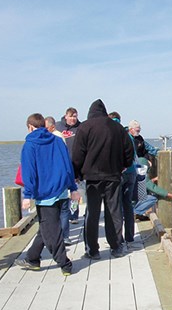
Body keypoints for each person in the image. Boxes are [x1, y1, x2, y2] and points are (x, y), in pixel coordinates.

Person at [14, 113, 80, 276]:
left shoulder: (30, 145)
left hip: (45, 195)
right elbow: (68, 166)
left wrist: (27, 195)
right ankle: (32, 258)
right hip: (61, 191)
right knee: (46, 227)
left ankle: (65, 264)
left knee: (52, 232)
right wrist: (73, 188)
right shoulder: (58, 140)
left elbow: (29, 172)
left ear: (30, 127)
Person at [72, 99, 134, 259]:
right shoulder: (118, 128)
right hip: (113, 175)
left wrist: (76, 173)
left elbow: (78, 154)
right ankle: (116, 246)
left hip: (92, 178)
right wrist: (124, 165)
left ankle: (93, 250)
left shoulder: (84, 127)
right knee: (113, 212)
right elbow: (129, 151)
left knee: (92, 213)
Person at [109, 112, 136, 246]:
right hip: (131, 172)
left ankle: (118, 239)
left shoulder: (112, 134)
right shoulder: (127, 135)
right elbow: (131, 153)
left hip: (119, 173)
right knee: (128, 204)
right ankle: (130, 237)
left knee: (116, 206)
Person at [46, 115, 73, 244]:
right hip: (60, 177)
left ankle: (63, 236)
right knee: (63, 209)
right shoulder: (58, 136)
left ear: (52, 126)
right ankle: (64, 236)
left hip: (58, 178)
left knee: (62, 209)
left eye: (46, 127)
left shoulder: (56, 137)